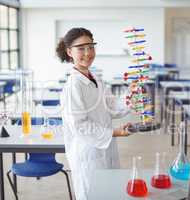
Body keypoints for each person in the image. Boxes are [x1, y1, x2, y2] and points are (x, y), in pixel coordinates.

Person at [57, 27, 132, 200]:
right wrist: (115, 132)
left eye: (90, 47)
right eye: (81, 48)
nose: (88, 53)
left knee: (109, 192)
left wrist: (131, 94)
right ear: (70, 52)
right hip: (87, 153)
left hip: (105, 148)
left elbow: (111, 107)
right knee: (92, 194)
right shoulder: (73, 86)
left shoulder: (95, 78)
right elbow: (79, 125)